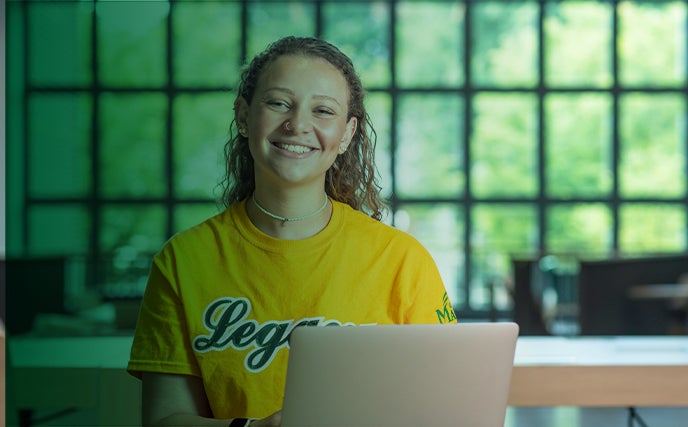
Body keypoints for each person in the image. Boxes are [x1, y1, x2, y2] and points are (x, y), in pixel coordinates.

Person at [127, 36, 457, 427]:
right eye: (279, 103)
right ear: (244, 115)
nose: (298, 124)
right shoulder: (181, 261)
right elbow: (164, 419)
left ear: (347, 135)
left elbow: (449, 406)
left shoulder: (402, 260)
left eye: (323, 111)